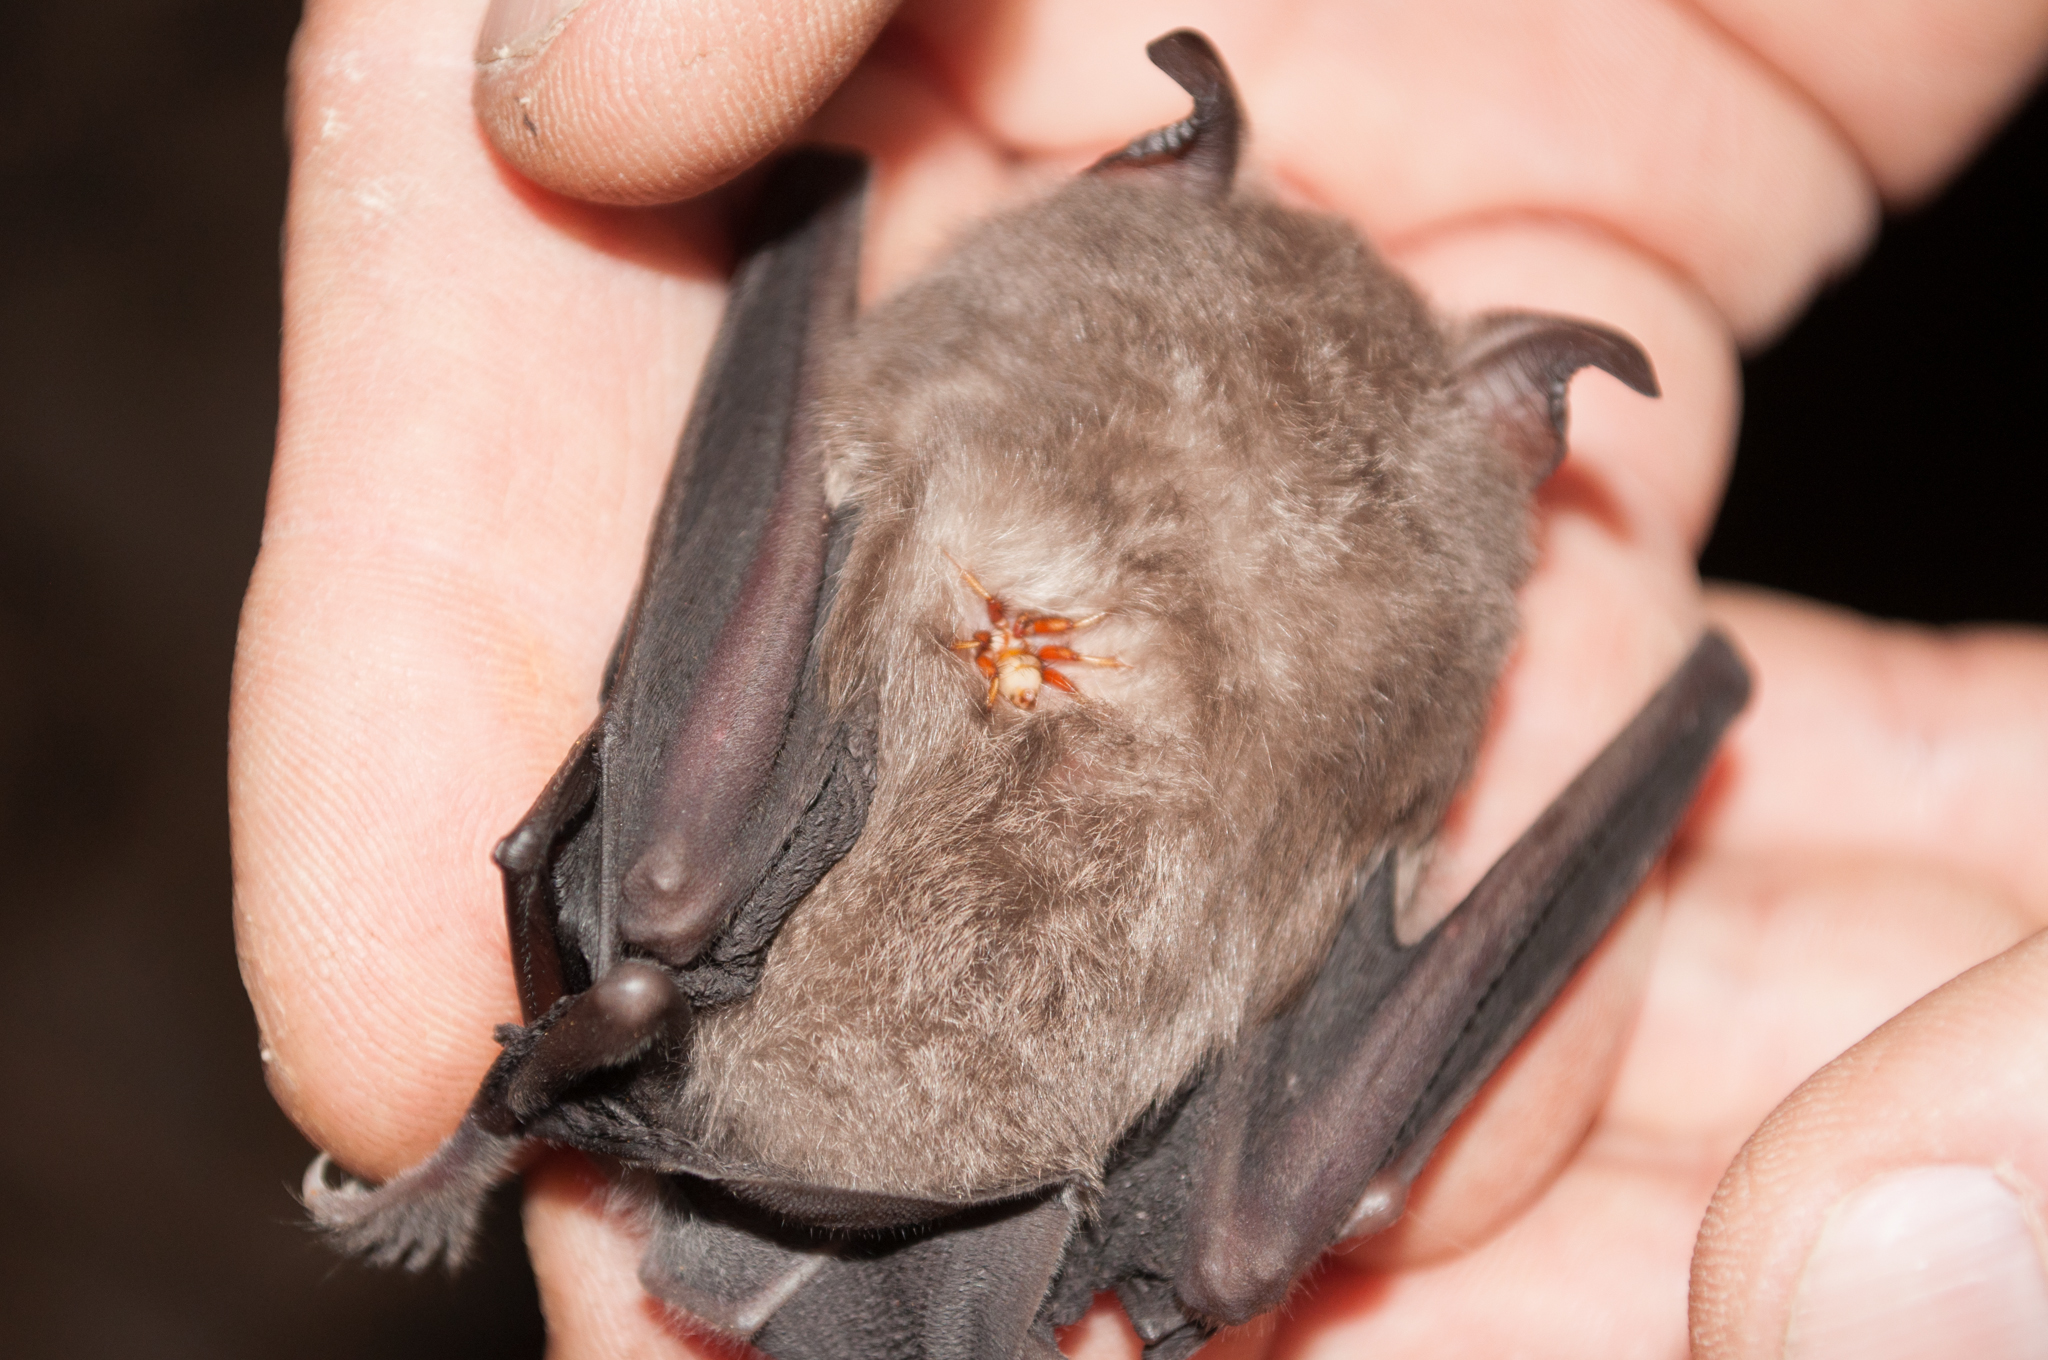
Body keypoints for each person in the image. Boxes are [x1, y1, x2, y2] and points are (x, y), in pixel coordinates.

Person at [231, 1, 2048, 1355]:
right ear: (1505, 458)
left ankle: (560, 1066)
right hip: (950, 1160)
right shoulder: (1401, 634)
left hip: (711, 958)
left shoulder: (1044, 395)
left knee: (679, 876)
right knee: (1242, 1225)